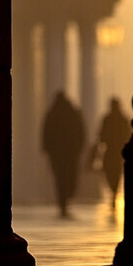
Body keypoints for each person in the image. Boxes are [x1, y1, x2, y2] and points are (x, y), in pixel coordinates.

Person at [42, 90, 86, 218]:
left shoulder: (52, 113)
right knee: (70, 176)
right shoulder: (73, 113)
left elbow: (46, 133)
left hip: (57, 153)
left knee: (59, 178)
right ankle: (66, 198)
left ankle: (63, 200)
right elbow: (81, 132)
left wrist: (46, 149)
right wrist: (79, 148)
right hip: (70, 153)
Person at [96, 97, 131, 208]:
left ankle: (113, 192)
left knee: (109, 172)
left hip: (111, 150)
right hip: (118, 151)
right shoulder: (122, 119)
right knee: (116, 172)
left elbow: (101, 134)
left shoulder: (107, 119)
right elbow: (127, 134)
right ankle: (114, 191)